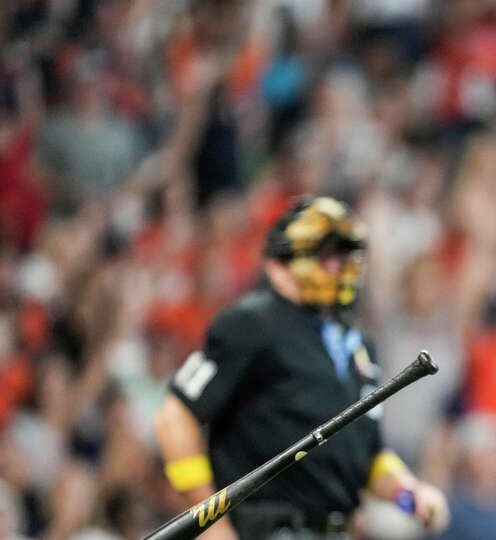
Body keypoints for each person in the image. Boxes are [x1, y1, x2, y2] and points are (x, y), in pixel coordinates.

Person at [154, 196, 449, 539]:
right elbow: (176, 416)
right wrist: (209, 521)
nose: (341, 267)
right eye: (329, 256)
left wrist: (407, 492)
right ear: (289, 258)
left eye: (344, 256)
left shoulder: (359, 345)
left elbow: (367, 455)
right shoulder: (253, 321)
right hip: (267, 527)